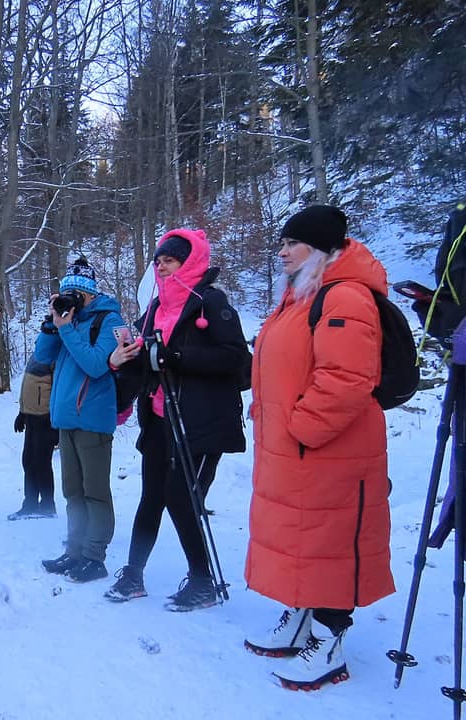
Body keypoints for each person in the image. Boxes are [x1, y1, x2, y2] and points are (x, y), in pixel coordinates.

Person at [243, 205, 395, 690]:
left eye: (293, 243)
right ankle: (300, 618)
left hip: (328, 450)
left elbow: (347, 378)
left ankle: (329, 643)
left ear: (322, 249)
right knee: (301, 541)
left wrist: (303, 429)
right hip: (296, 451)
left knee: (330, 545)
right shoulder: (301, 296)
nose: (282, 251)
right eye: (282, 243)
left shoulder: (345, 296)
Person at [104, 229, 248, 611]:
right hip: (157, 416)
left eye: (170, 260)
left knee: (180, 497)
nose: (162, 266)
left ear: (189, 263)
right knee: (151, 495)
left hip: (199, 419)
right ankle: (133, 574)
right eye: (159, 261)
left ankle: (203, 581)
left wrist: (178, 358)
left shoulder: (209, 302)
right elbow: (144, 360)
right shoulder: (156, 307)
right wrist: (119, 360)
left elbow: (236, 358)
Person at [35, 256, 125, 583]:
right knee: (72, 491)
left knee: (95, 492)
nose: (70, 298)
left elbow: (96, 365)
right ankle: (74, 550)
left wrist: (67, 329)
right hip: (65, 419)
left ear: (89, 293)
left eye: (76, 293)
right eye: (65, 292)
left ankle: (94, 557)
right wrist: (53, 324)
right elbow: (41, 357)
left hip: (93, 419)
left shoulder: (108, 319)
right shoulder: (66, 321)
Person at [9, 359, 59, 520]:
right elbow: (30, 385)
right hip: (31, 417)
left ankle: (47, 506)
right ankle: (30, 503)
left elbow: (59, 390)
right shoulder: (40, 352)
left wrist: (56, 423)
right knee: (28, 461)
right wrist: (22, 413)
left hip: (46, 419)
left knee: (41, 463)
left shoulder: (56, 354)